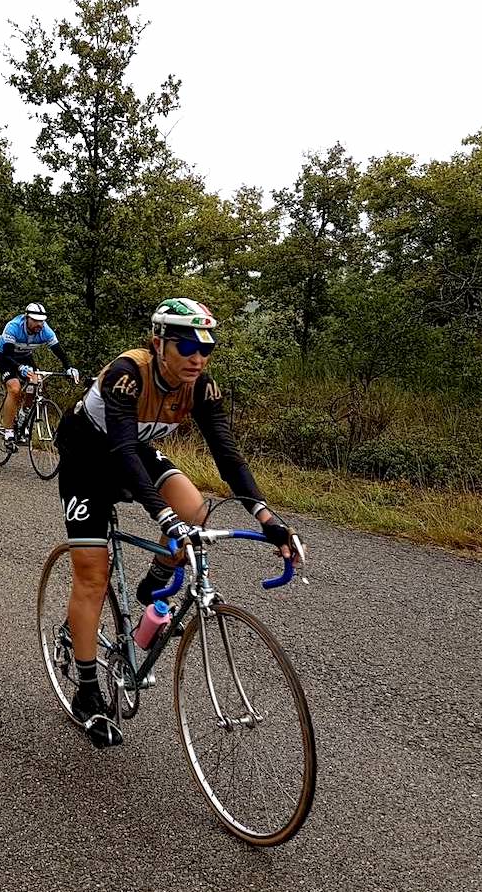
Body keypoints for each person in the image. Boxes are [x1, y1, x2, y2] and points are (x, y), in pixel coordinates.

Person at [55, 298, 301, 747]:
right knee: (93, 575)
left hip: (134, 450)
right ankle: (88, 690)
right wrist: (162, 517)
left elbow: (227, 456)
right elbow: (122, 453)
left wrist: (268, 518)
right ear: (158, 342)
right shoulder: (127, 375)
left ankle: (156, 582)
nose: (197, 356)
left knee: (197, 512)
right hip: (89, 460)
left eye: (206, 347)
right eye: (186, 344)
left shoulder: (200, 386)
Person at [0, 302, 79, 443]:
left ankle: (22, 417)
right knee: (14, 389)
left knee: (36, 382)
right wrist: (20, 368)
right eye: (35, 321)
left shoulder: (46, 330)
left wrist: (69, 367)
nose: (39, 324)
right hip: (6, 356)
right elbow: (8, 355)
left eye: (42, 321)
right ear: (26, 318)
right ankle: (8, 431)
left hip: (25, 356)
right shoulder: (13, 327)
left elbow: (59, 351)